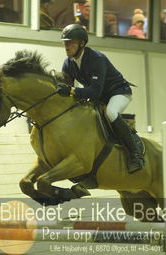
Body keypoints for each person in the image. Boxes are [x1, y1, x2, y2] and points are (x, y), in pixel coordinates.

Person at [56, 24, 144, 173]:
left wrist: (71, 90)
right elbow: (67, 86)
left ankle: (135, 153)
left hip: (118, 92)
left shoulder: (97, 58)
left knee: (111, 113)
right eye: (65, 42)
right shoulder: (68, 63)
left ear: (82, 43)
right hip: (99, 95)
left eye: (70, 42)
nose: (66, 46)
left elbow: (94, 91)